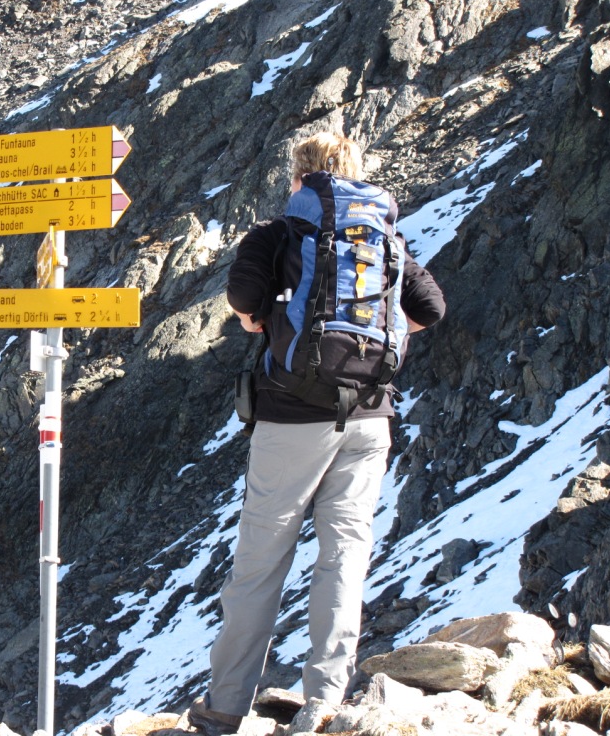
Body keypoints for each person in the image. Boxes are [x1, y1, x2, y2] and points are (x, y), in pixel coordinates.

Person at [188, 132, 446, 736]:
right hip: (370, 417)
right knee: (345, 556)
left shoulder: (279, 232)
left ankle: (225, 706)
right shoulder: (382, 236)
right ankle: (325, 700)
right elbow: (430, 308)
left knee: (260, 562)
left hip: (291, 419)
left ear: (299, 176)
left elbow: (242, 296)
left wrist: (259, 320)